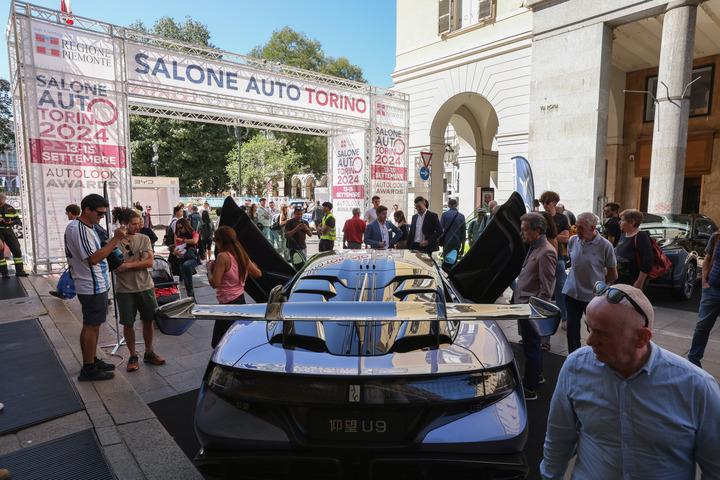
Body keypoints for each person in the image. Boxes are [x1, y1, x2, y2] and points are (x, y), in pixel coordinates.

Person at [541, 283, 720, 479]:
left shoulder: (697, 387)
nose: (590, 341)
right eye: (589, 328)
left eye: (603, 334)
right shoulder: (575, 367)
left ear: (642, 338)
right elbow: (558, 438)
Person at [65, 194, 127, 381]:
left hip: (93, 284)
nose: (101, 217)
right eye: (99, 213)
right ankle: (89, 368)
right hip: (91, 285)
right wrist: (115, 240)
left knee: (90, 325)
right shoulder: (79, 228)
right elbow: (93, 258)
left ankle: (90, 359)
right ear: (87, 210)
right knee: (92, 327)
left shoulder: (83, 227)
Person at [112, 208, 165, 372]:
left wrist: (128, 265)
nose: (137, 227)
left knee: (148, 320)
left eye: (139, 223)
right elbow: (115, 267)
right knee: (128, 323)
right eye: (133, 224)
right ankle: (132, 355)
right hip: (125, 290)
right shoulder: (114, 241)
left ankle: (149, 352)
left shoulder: (144, 238)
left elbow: (149, 263)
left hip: (145, 286)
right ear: (124, 224)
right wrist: (138, 261)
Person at [513, 212, 557, 401]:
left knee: (532, 348)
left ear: (537, 231)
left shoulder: (546, 251)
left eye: (524, 230)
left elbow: (546, 289)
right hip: (524, 307)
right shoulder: (533, 247)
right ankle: (536, 377)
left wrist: (533, 312)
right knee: (532, 347)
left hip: (530, 309)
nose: (521, 233)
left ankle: (530, 388)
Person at [562, 212, 618, 353]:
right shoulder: (573, 240)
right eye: (576, 226)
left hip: (592, 298)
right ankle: (573, 357)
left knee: (596, 330)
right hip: (571, 293)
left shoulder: (605, 246)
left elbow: (613, 274)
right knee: (572, 331)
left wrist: (599, 288)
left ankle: (597, 356)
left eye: (581, 228)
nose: (576, 230)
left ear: (593, 228)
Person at [207, 226, 262, 348]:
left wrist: (209, 269)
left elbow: (215, 283)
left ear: (220, 241)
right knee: (234, 339)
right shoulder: (241, 254)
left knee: (218, 343)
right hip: (240, 300)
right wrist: (253, 265)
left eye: (215, 240)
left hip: (227, 305)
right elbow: (258, 273)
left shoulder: (223, 257)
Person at [540, 191, 569, 349]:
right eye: (544, 201)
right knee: (544, 290)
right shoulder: (539, 216)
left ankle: (565, 318)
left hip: (558, 258)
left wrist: (550, 237)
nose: (546, 204)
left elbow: (566, 237)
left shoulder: (561, 218)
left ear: (555, 202)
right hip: (543, 259)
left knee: (561, 287)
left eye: (549, 202)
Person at [688, 228, 720, 368]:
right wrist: (704, 282)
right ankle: (693, 361)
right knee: (702, 327)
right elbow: (707, 259)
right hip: (712, 289)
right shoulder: (716, 237)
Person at [614, 209, 652, 289]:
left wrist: (640, 281)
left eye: (622, 220)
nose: (619, 222)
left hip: (632, 280)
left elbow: (647, 261)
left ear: (632, 222)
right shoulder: (623, 234)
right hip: (619, 279)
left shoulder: (641, 236)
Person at [0, 193, 28, 277]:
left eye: (2, 198)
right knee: (0, 252)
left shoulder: (10, 208)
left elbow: (17, 220)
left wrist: (11, 222)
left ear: (4, 199)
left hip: (8, 230)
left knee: (16, 249)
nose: (1, 199)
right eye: (0, 198)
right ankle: (4, 273)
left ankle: (20, 271)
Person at [174, 218, 200, 297]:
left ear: (186, 226)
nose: (180, 229)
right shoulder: (178, 235)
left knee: (186, 265)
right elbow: (175, 246)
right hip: (181, 258)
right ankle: (190, 295)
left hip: (192, 257)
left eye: (181, 227)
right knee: (185, 279)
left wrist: (183, 240)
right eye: (178, 228)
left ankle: (191, 293)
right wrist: (175, 252)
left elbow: (194, 241)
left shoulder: (193, 233)